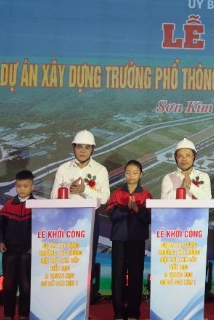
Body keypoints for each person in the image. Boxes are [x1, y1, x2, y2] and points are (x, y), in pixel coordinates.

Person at [50, 129, 110, 297]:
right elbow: (53, 196)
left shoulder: (100, 170)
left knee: (86, 260)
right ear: (73, 147)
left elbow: (104, 198)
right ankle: (65, 297)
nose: (83, 150)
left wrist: (85, 191)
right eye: (79, 147)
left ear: (93, 149)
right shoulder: (63, 168)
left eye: (87, 147)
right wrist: (67, 190)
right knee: (66, 260)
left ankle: (83, 302)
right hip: (65, 220)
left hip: (89, 218)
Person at [107, 160, 151, 320]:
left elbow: (148, 219)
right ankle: (118, 312)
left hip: (137, 240)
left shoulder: (146, 194)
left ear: (141, 174)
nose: (131, 175)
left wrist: (137, 210)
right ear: (124, 174)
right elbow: (112, 216)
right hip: (119, 239)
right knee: (117, 276)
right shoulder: (117, 193)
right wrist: (127, 208)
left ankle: (133, 312)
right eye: (128, 172)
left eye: (135, 172)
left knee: (136, 276)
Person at [0, 170, 35, 320]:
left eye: (25, 186)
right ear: (15, 187)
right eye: (19, 186)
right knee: (9, 285)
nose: (22, 189)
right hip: (9, 251)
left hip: (27, 252)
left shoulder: (37, 206)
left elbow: (41, 229)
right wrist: (0, 241)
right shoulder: (9, 205)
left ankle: (24, 314)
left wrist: (36, 245)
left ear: (32, 187)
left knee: (26, 285)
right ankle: (8, 314)